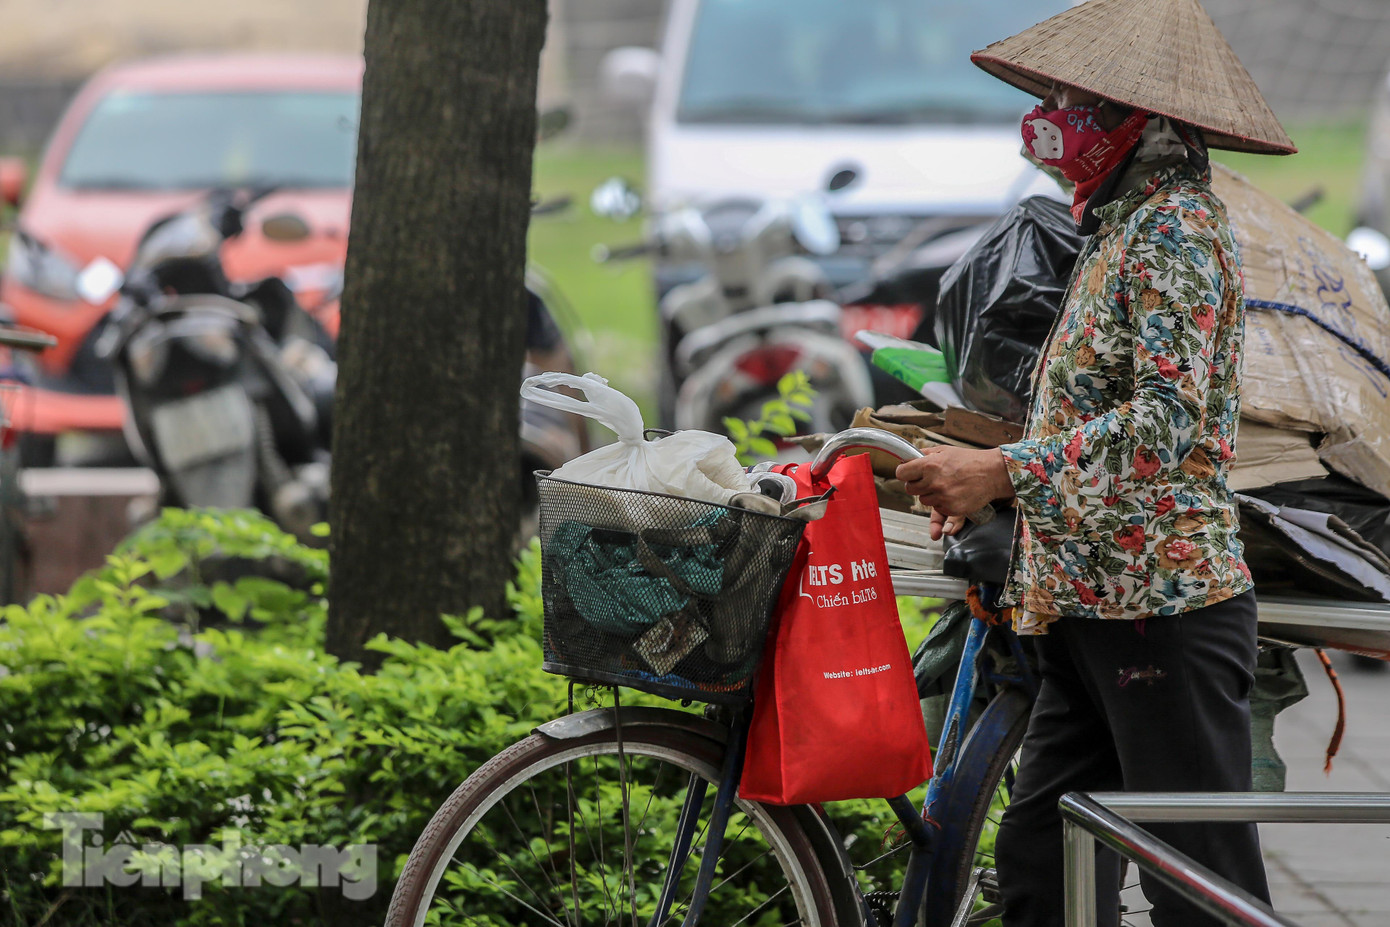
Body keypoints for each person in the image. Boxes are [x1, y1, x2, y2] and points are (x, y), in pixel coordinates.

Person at [893, 0, 1296, 924]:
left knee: (1199, 888)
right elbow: (1085, 411)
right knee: (1041, 861)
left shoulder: (1175, 233)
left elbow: (1164, 423)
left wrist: (1000, 475)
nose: (1055, 118)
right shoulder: (1118, 226)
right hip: (1082, 603)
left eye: (1080, 101)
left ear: (1140, 124)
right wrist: (999, 497)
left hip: (1163, 608)